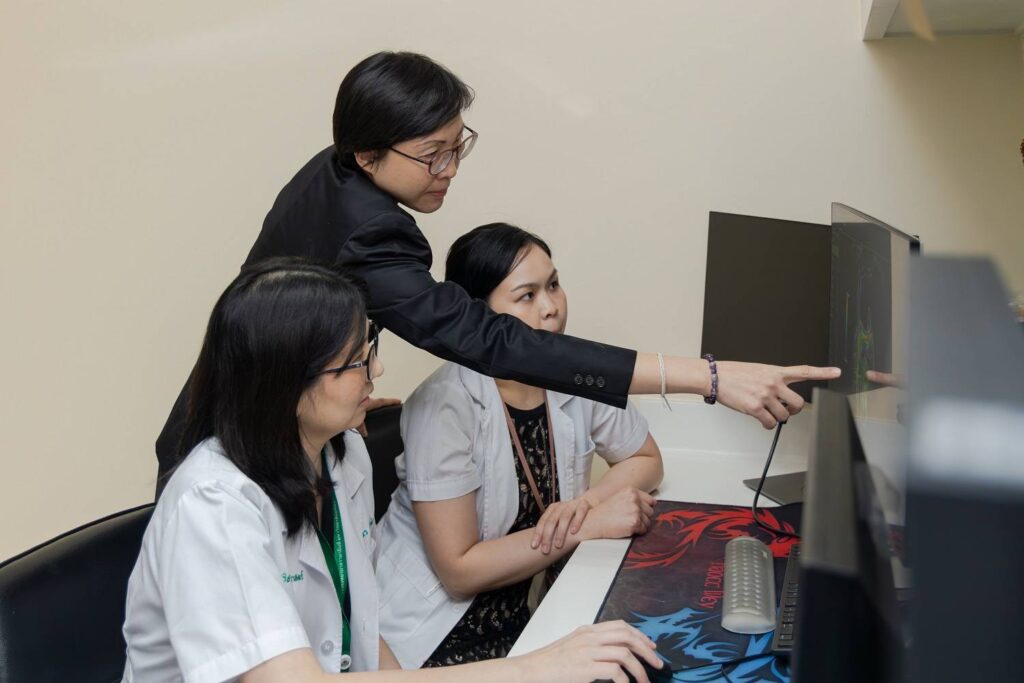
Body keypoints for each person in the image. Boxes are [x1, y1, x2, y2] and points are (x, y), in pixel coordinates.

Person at [155, 50, 839, 492]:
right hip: (245, 456)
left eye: (459, 147)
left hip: (257, 422)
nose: (450, 169)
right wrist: (708, 377)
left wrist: (333, 395)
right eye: (433, 154)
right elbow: (493, 340)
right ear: (367, 154)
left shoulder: (334, 172)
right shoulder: (372, 230)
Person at [122, 258, 664, 683]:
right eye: (357, 361)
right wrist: (530, 669)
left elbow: (359, 627)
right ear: (285, 384)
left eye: (370, 349)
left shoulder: (341, 455)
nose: (376, 370)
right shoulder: (213, 504)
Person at [375, 224, 665, 668]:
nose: (551, 308)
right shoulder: (445, 404)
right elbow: (459, 572)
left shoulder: (570, 371)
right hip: (437, 633)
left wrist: (586, 504)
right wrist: (584, 527)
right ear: (477, 316)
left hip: (528, 616)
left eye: (553, 285)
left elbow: (645, 458)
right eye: (527, 295)